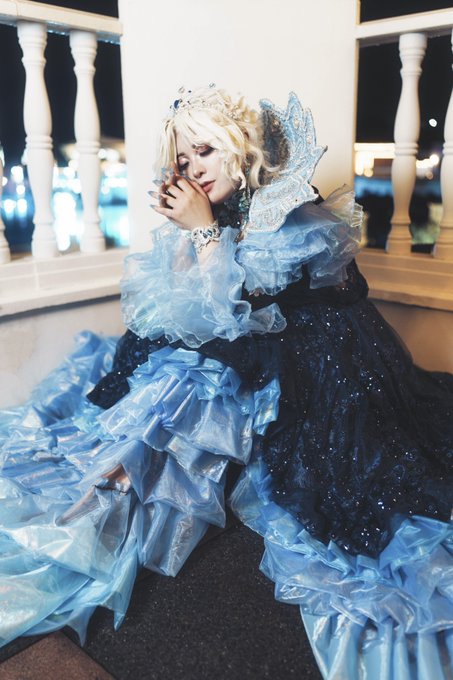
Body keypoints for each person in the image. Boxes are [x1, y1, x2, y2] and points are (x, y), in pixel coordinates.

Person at [0, 85, 452, 679]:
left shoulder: (288, 215)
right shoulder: (211, 209)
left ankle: (111, 502)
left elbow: (229, 312)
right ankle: (105, 496)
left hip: (309, 354)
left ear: (240, 150)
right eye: (183, 159)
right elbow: (180, 313)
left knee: (198, 381)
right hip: (242, 344)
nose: (193, 169)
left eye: (207, 152)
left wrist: (205, 232)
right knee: (174, 371)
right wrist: (192, 231)